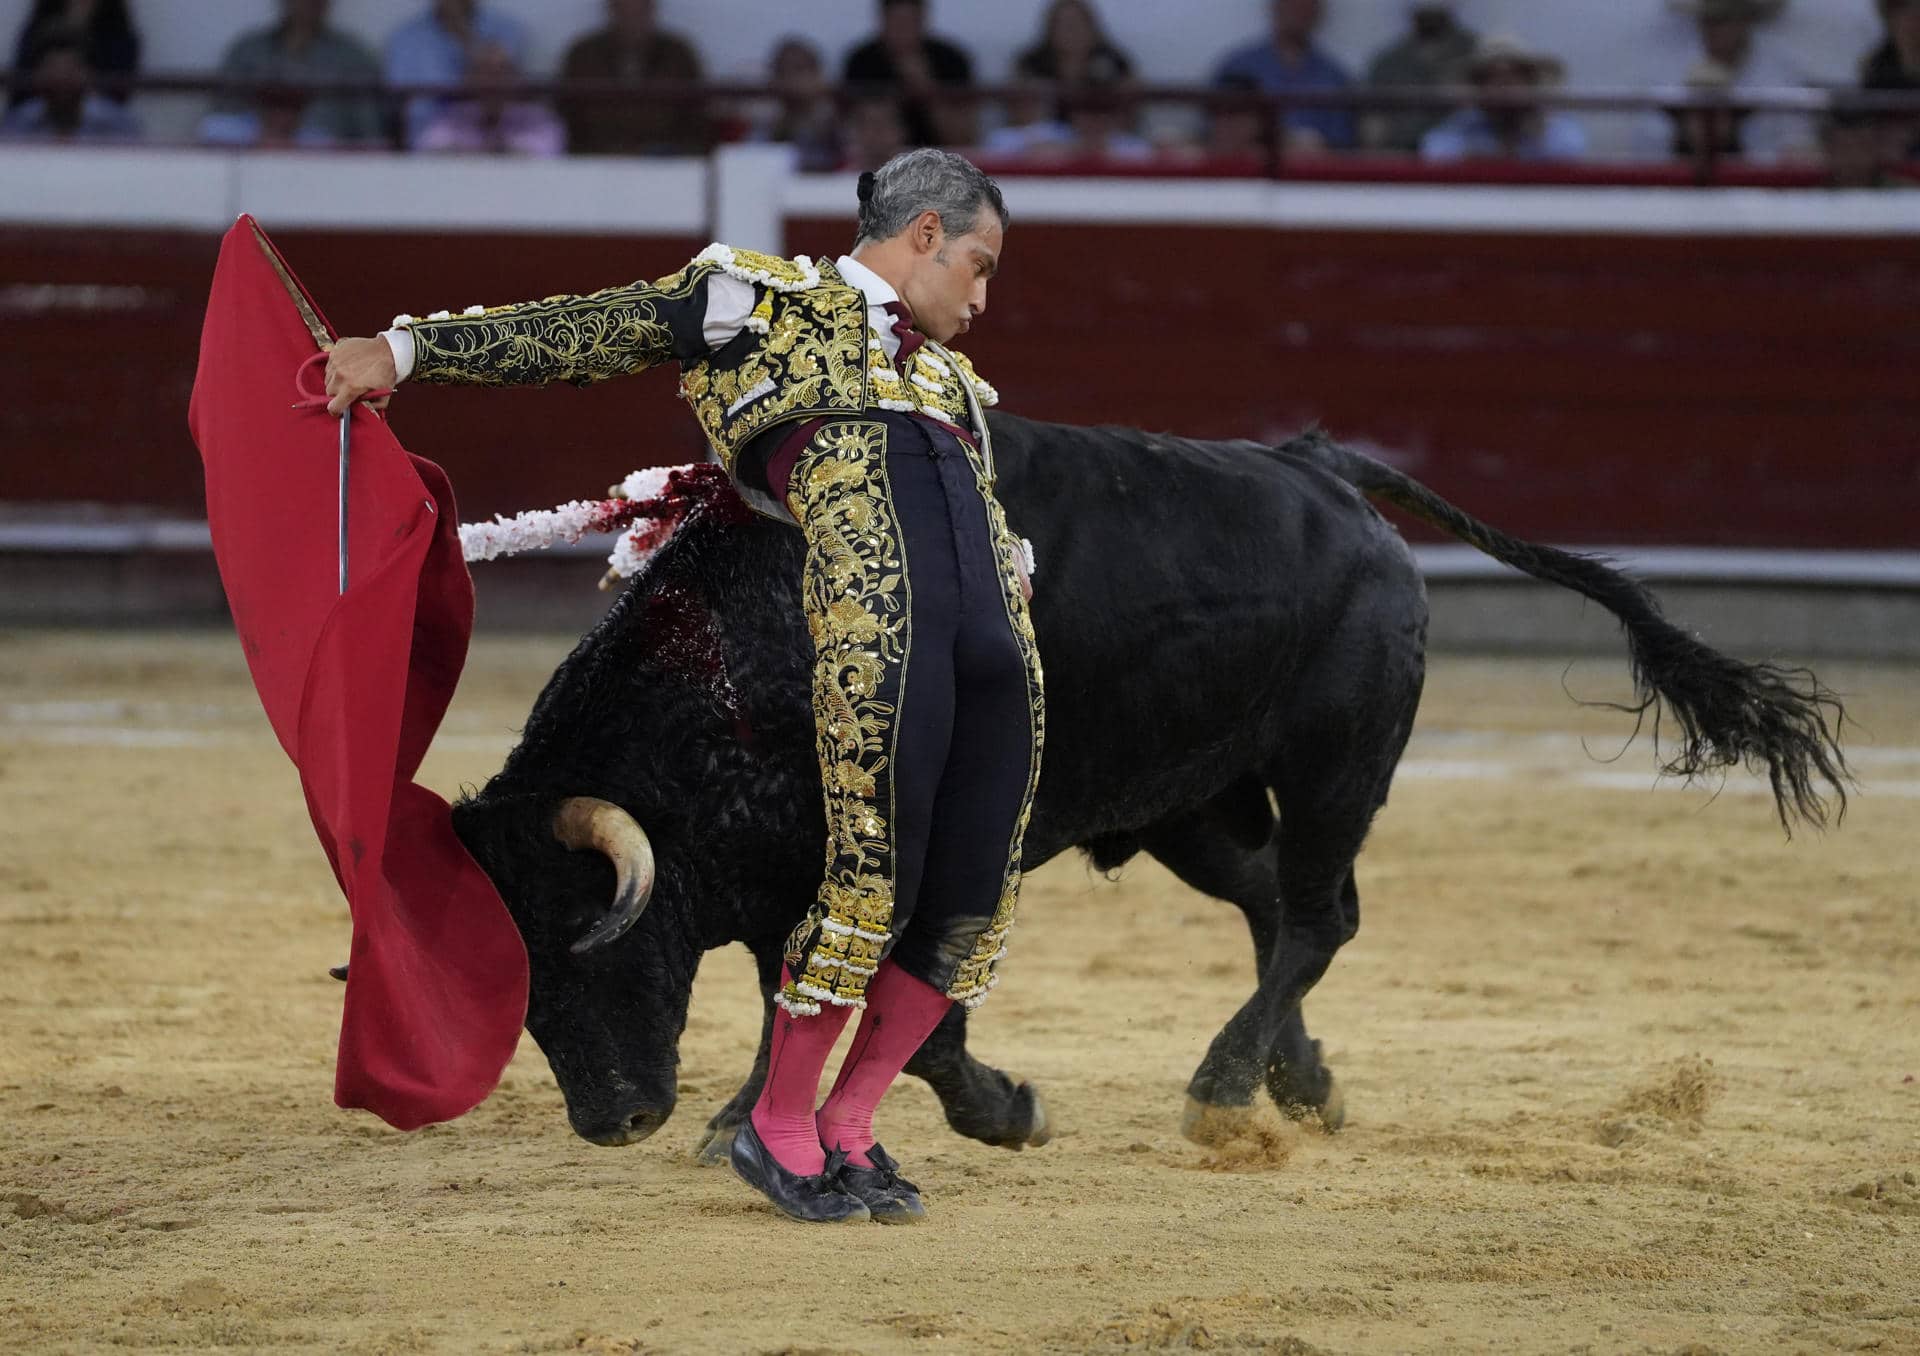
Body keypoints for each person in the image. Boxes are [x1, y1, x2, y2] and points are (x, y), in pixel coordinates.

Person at [320, 149, 1041, 1226]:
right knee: (869, 884)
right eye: (978, 266)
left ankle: (852, 1123)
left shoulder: (954, 386)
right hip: (877, 642)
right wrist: (407, 351)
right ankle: (782, 1122)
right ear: (925, 233)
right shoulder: (759, 303)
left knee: (969, 908)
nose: (982, 301)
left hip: (1002, 655)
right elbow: (584, 328)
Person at [1633, 0, 1816, 162]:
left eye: (1724, 18)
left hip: (1763, 191)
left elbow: (1797, 143)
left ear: (1745, 21)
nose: (1714, 29)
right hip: (1676, 189)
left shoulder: (1779, 76)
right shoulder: (1670, 73)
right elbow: (1648, 141)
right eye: (1708, 20)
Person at [198, 0, 384, 149]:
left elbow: (370, 134)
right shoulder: (247, 50)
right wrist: (267, 133)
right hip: (253, 157)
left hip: (328, 166)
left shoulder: (354, 57)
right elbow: (221, 117)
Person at [559, 0, 707, 156]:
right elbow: (564, 121)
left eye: (639, 9)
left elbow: (697, 122)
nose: (632, 16)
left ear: (651, 8)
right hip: (592, 164)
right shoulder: (583, 56)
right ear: (612, 8)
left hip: (667, 165)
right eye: (625, 9)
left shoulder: (679, 55)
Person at [1211, 0, 1357, 153]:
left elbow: (1344, 148)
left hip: (1316, 173)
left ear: (1319, 10)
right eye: (1290, 3)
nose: (1297, 9)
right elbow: (1213, 139)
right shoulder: (1235, 67)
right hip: (1248, 172)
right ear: (1273, 6)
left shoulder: (1336, 77)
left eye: (1306, 4)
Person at [1420, 33, 1588, 162]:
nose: (1504, 85)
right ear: (1479, 85)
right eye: (1492, 77)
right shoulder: (1465, 124)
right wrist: (1486, 154)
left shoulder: (1551, 124)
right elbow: (1434, 148)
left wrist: (1536, 136)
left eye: (1514, 76)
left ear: (1530, 83)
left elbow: (1572, 147)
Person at [384, 0, 530, 148]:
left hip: (501, 146)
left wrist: (465, 37)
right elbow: (407, 108)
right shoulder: (404, 39)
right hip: (424, 152)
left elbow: (507, 93)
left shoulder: (508, 31)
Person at [842, 0, 975, 147]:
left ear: (923, 19)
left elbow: (965, 138)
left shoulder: (951, 60)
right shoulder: (861, 62)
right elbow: (848, 133)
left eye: (910, 22)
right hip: (878, 158)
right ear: (882, 20)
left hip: (939, 158)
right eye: (897, 22)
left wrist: (925, 87)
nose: (903, 31)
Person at [1363, 0, 1478, 153]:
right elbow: (1372, 129)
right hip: (1401, 160)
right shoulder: (1387, 62)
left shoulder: (1479, 55)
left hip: (1464, 159)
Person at [413, 40, 565, 155]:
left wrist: (470, 153)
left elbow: (546, 150)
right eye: (484, 72)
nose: (493, 81)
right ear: (469, 79)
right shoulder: (453, 117)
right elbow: (428, 147)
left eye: (501, 72)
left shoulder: (538, 119)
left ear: (516, 77)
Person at [1, 26, 139, 140]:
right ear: (38, 74)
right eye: (53, 68)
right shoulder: (17, 124)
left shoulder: (118, 125)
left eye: (71, 69)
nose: (62, 78)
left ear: (89, 73)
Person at [7, 0, 137, 109]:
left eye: (73, 68)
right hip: (40, 120)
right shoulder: (36, 29)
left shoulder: (119, 34)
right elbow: (20, 89)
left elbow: (119, 93)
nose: (64, 75)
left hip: (99, 123)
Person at [743, 35, 841, 171]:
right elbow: (751, 161)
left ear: (818, 75)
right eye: (782, 71)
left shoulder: (837, 120)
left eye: (799, 69)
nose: (791, 79)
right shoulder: (765, 123)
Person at [1863, 0, 1920, 158]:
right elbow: (1869, 121)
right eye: (1905, 15)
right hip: (1891, 155)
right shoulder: (1876, 66)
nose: (1913, 23)